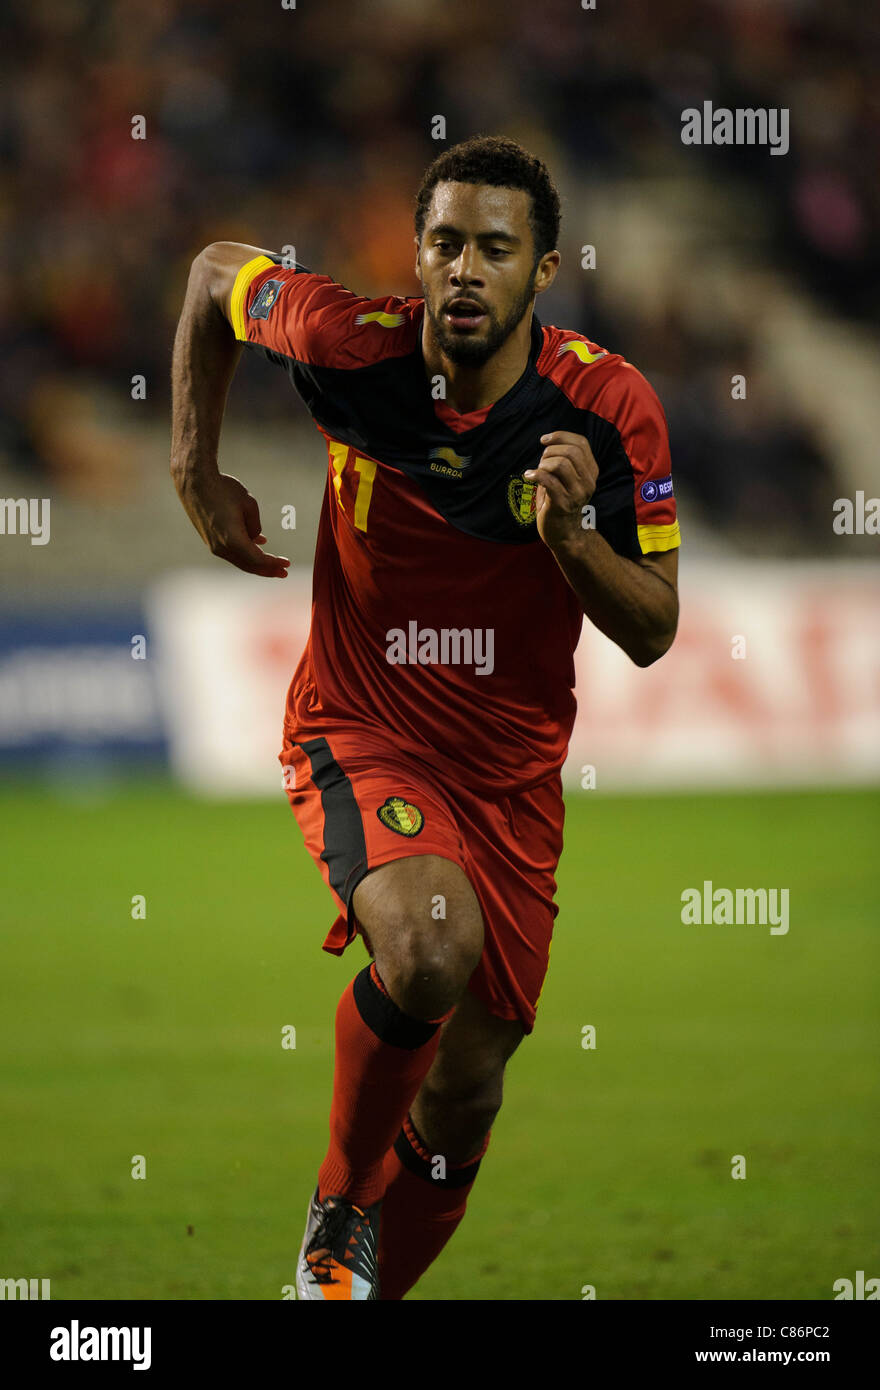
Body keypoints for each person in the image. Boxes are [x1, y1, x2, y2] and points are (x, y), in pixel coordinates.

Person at [170, 135, 680, 1300]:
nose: (463, 269)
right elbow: (211, 275)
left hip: (509, 779)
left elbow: (653, 627)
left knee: (467, 1088)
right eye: (444, 243)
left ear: (542, 272)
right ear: (416, 251)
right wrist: (194, 470)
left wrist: (572, 540)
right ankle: (339, 1210)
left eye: (494, 249)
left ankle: (340, 1298)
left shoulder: (606, 410)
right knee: (431, 941)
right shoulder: (351, 344)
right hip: (362, 725)